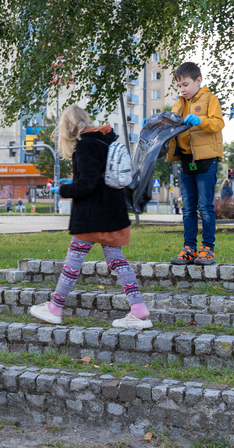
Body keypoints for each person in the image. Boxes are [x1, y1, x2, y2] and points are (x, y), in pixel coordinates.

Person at [28, 105, 152, 329]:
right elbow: (97, 178)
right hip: (112, 214)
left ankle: (55, 307)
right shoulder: (105, 140)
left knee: (72, 263)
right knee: (117, 261)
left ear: (68, 127)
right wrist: (72, 182)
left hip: (93, 217)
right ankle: (138, 307)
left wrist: (63, 191)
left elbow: (88, 184)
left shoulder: (86, 146)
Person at [165, 62, 224, 266]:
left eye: (185, 84)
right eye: (179, 85)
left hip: (206, 161)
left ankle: (207, 249)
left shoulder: (210, 99)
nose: (182, 89)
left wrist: (200, 120)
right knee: (188, 208)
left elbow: (218, 123)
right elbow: (170, 122)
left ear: (198, 81)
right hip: (186, 159)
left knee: (205, 207)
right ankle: (188, 248)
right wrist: (154, 124)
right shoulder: (179, 103)